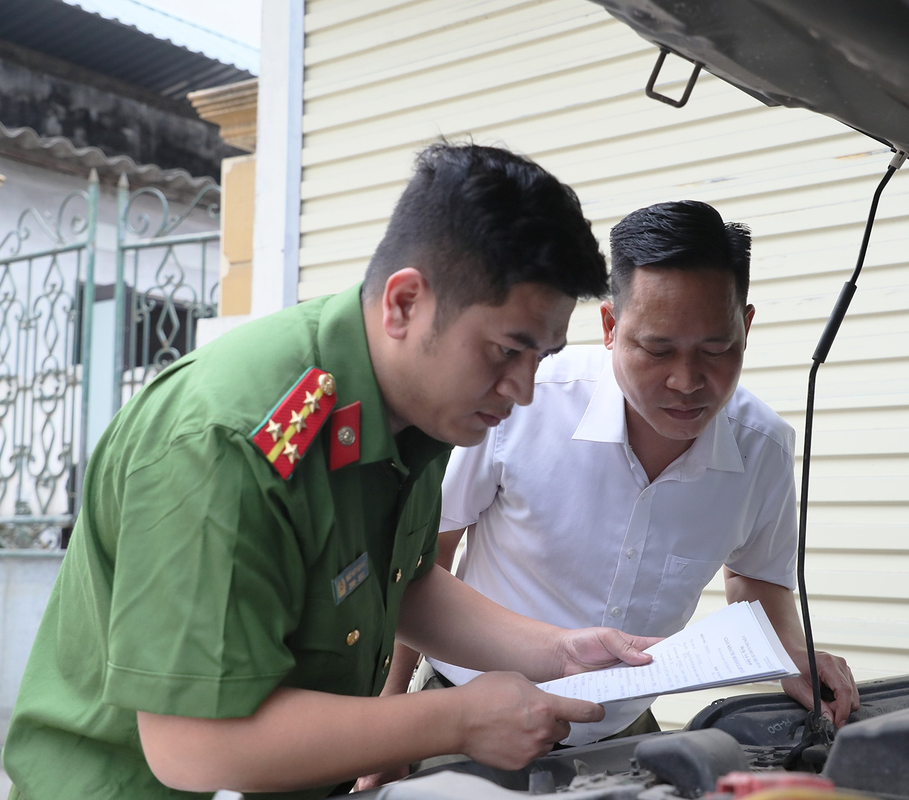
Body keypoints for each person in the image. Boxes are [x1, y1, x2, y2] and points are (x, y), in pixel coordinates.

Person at [2, 143, 658, 800]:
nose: (521, 390)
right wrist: (453, 719)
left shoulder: (421, 409)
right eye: (504, 351)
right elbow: (193, 745)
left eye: (541, 357)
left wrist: (558, 652)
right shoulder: (225, 442)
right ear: (404, 304)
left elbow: (398, 583)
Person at [393, 200, 859, 745]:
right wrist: (389, 722)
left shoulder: (764, 449)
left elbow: (756, 578)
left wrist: (792, 655)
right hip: (464, 717)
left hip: (622, 735)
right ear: (611, 327)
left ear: (746, 327)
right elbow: (424, 560)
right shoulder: (521, 402)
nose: (687, 381)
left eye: (717, 349)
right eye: (657, 350)